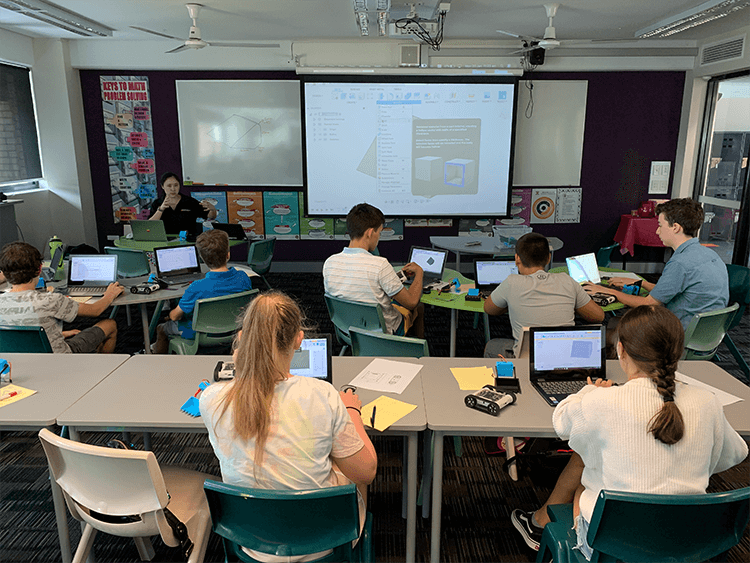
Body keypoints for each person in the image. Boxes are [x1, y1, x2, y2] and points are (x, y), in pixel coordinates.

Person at [511, 305, 748, 554]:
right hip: (690, 541)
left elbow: (561, 422)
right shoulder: (707, 401)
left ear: (621, 349)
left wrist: (589, 391)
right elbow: (736, 454)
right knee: (591, 456)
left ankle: (547, 530)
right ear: (678, 352)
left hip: (613, 546)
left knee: (585, 480)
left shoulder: (600, 402)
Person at [200, 291, 377, 561]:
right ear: (298, 339)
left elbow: (250, 388)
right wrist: (351, 411)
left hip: (252, 542)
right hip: (322, 541)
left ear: (243, 338)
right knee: (351, 471)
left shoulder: (212, 399)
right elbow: (366, 472)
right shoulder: (322, 394)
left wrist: (242, 366)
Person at [587, 198, 729, 329]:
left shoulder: (680, 263)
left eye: (660, 225)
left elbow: (648, 303)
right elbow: (673, 290)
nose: (657, 231)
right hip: (706, 331)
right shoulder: (710, 254)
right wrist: (642, 283)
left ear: (676, 228)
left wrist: (607, 291)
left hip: (679, 332)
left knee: (612, 327)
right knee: (617, 323)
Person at [483, 232, 605, 358]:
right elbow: (599, 316)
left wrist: (511, 304)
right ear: (548, 258)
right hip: (566, 357)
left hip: (528, 360)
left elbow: (489, 309)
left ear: (517, 258)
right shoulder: (567, 281)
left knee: (492, 346)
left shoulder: (511, 282)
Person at [0, 242, 123, 353]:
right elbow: (95, 310)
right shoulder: (51, 300)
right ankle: (103, 367)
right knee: (110, 324)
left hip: (20, 362)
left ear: (4, 273)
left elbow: (18, 333)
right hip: (59, 358)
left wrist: (60, 334)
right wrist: (110, 294)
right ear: (39, 269)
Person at [323, 203, 425, 338]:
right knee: (418, 307)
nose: (379, 237)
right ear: (370, 233)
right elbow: (411, 302)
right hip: (380, 335)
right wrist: (419, 273)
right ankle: (413, 347)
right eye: (379, 232)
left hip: (347, 330)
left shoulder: (329, 263)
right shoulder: (380, 265)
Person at [153, 229, 253, 353]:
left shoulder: (197, 287)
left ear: (202, 258)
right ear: (228, 255)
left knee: (162, 328)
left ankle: (157, 357)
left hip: (199, 334)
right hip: (235, 330)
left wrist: (169, 315)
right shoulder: (243, 277)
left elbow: (175, 316)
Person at [149, 172, 218, 238]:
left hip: (187, 240)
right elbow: (150, 225)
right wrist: (161, 209)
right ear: (162, 186)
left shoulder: (190, 201)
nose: (173, 189)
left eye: (176, 185)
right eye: (169, 186)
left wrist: (212, 209)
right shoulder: (157, 203)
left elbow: (210, 216)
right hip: (165, 240)